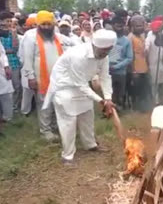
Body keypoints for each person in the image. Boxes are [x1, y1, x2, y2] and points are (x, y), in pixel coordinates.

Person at [43, 30, 117, 163]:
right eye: (103, 50)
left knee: (88, 115)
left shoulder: (104, 57)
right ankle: (67, 156)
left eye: (108, 50)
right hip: (64, 87)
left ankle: (90, 145)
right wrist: (101, 100)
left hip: (81, 87)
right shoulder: (78, 55)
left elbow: (105, 77)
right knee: (68, 123)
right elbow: (81, 84)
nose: (105, 54)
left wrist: (108, 98)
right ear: (95, 45)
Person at [22, 10, 66, 142]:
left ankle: (55, 126)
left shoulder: (56, 36)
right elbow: (27, 59)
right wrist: (30, 77)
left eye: (48, 24)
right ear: (38, 25)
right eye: (43, 24)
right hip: (41, 78)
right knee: (44, 104)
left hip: (58, 77)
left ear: (53, 24)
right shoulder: (30, 36)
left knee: (57, 103)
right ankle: (45, 131)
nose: (46, 27)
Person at [128, 15, 152, 112]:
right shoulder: (130, 38)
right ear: (132, 26)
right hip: (136, 70)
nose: (140, 28)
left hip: (144, 68)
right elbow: (130, 56)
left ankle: (144, 109)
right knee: (136, 91)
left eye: (141, 25)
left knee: (144, 90)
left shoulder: (142, 36)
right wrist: (133, 70)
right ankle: (136, 109)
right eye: (137, 26)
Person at [109, 16, 133, 110]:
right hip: (107, 71)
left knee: (120, 93)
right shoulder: (108, 39)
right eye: (117, 26)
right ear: (112, 26)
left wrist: (117, 66)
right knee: (109, 92)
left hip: (120, 72)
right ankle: (108, 110)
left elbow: (129, 58)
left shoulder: (126, 41)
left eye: (121, 26)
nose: (120, 28)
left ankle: (119, 109)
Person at [0, 11, 21, 113]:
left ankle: (14, 107)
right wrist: (6, 51)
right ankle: (6, 109)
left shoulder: (13, 32)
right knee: (4, 88)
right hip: (2, 65)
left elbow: (15, 48)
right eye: (6, 21)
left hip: (14, 62)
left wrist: (13, 34)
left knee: (16, 86)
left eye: (10, 21)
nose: (9, 23)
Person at [146, 20, 163, 105]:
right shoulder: (149, 36)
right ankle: (155, 101)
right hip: (153, 64)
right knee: (154, 84)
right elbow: (147, 45)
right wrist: (146, 50)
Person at [0, 25, 13, 122]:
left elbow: (2, 54)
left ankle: (7, 117)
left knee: (6, 94)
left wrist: (6, 66)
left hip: (1, 70)